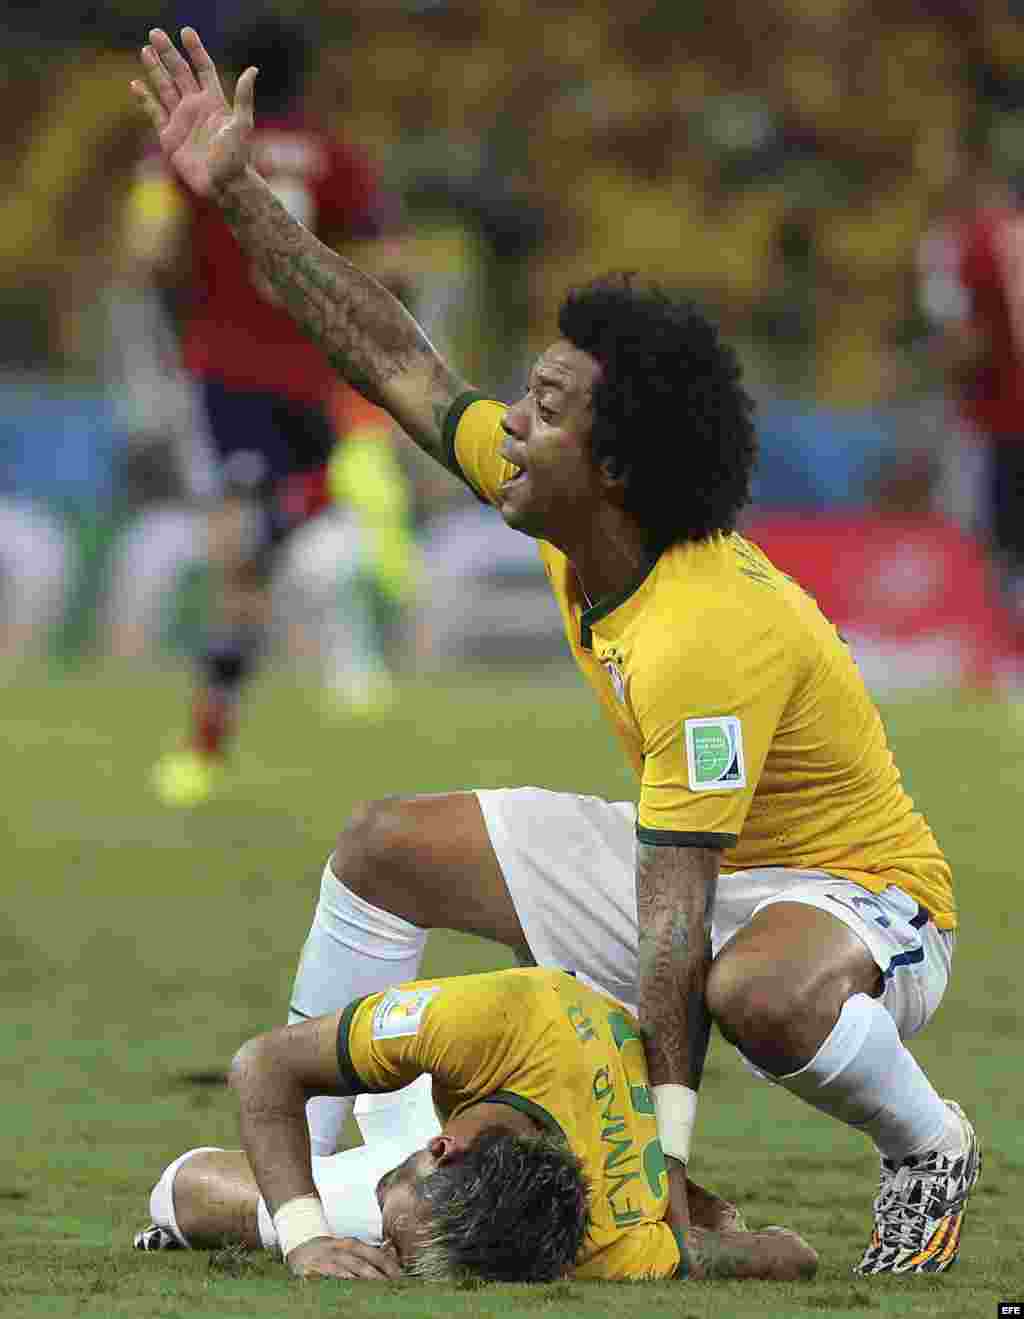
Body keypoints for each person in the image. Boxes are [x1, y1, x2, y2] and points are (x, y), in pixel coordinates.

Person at [132, 26, 980, 1279]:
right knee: (381, 848)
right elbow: (390, 355)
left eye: (545, 409)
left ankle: (927, 1142)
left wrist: (668, 1172)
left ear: (619, 466)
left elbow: (676, 924)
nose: (510, 426)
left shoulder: (705, 625)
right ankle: (302, 1178)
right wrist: (243, 199)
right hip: (693, 862)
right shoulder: (564, 503)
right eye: (524, 397)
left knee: (753, 989)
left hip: (852, 896)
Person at [133, 967, 817, 1283]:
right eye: (392, 1225)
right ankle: (380, 1109)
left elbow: (787, 1254)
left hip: (488, 1098)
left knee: (181, 1197)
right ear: (440, 1147)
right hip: (490, 1049)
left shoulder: (604, 1245)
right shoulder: (486, 1022)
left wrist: (724, 1228)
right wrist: (305, 1239)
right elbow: (262, 1063)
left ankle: (380, 1122)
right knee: (186, 1193)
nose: (385, 1244)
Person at [140, 14, 408, 806]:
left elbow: (150, 252)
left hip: (224, 372)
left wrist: (188, 300)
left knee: (240, 554)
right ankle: (338, 631)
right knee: (282, 536)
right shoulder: (337, 158)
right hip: (313, 371)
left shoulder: (196, 146)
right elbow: (395, 263)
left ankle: (200, 751)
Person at [918, 137, 1024, 653]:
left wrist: (937, 379)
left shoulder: (962, 244)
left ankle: (998, 643)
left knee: (993, 534)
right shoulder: (1012, 234)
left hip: (1000, 415)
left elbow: (966, 342)